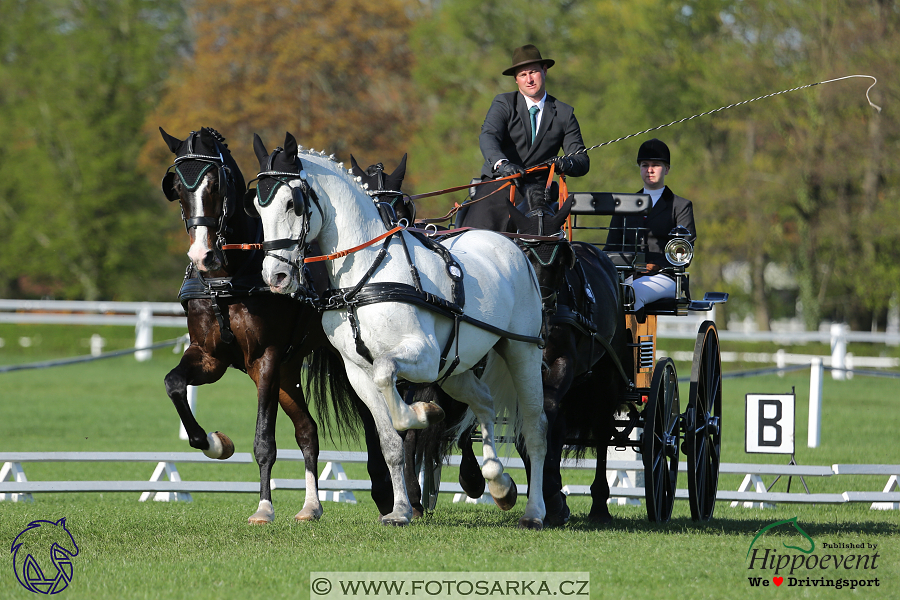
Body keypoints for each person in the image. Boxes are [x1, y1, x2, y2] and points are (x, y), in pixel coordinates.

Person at [456, 44, 590, 231]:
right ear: (516, 80)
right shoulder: (504, 103)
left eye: (533, 72)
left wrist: (564, 163)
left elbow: (582, 160)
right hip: (498, 187)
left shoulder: (564, 113)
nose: (529, 80)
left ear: (544, 71)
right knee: (474, 240)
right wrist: (502, 164)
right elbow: (488, 136)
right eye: (522, 75)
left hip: (537, 197)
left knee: (544, 248)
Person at [604, 138, 696, 311]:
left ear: (667, 169)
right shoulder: (624, 205)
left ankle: (623, 338)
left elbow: (684, 251)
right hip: (626, 274)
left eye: (656, 165)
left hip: (666, 276)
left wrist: (657, 265)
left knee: (632, 293)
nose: (650, 170)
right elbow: (610, 246)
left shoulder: (680, 206)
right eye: (645, 165)